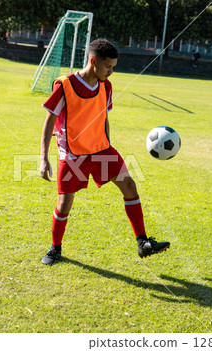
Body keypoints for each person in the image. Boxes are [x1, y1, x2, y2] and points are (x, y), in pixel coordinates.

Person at [39, 38, 170, 265]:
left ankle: (142, 242)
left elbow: (103, 116)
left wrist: (108, 145)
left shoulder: (106, 86)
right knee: (64, 203)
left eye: (113, 67)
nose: (111, 72)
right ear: (94, 61)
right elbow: (49, 121)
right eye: (108, 66)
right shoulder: (65, 85)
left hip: (101, 150)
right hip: (73, 154)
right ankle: (55, 249)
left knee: (129, 185)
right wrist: (43, 158)